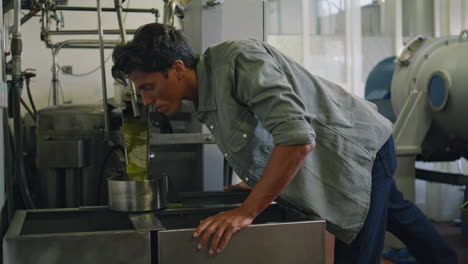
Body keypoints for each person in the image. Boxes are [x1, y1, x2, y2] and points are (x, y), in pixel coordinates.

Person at [111, 23, 457, 264]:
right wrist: (255, 183)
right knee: (399, 216)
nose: (146, 99)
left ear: (175, 68)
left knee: (356, 248)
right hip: (343, 148)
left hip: (359, 150)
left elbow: (296, 138)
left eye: (148, 88)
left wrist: (248, 210)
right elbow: (263, 134)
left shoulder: (238, 60)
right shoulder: (205, 97)